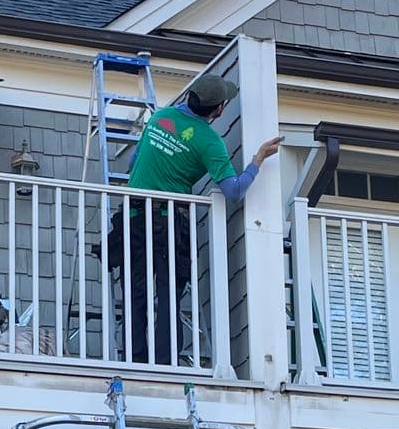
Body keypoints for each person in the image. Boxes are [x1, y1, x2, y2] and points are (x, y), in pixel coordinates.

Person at [106, 73, 282, 365]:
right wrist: (257, 160)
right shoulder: (209, 142)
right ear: (219, 109)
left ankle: (135, 360)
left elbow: (135, 161)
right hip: (166, 220)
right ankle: (165, 363)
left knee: (136, 291)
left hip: (133, 214)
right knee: (168, 292)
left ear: (190, 96)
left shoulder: (160, 117)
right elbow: (234, 191)